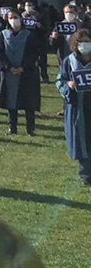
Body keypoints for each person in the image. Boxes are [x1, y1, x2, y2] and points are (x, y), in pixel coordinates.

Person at [0, 10, 45, 136]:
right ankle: (12, 127)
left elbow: (33, 53)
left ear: (21, 19)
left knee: (29, 102)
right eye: (10, 18)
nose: (13, 20)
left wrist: (23, 67)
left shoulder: (29, 35)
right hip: (9, 73)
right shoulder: (2, 35)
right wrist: (8, 67)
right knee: (11, 101)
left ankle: (30, 128)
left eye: (16, 17)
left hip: (27, 74)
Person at [57, 29, 91, 185]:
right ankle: (85, 174)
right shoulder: (69, 61)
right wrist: (68, 86)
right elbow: (60, 81)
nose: (85, 45)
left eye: (87, 41)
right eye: (81, 42)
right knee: (82, 139)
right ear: (76, 44)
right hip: (78, 107)